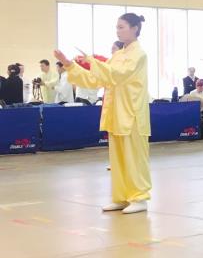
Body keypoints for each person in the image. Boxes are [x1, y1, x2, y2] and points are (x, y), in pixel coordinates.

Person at [56, 13, 151, 214]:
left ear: (135, 28)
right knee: (117, 159)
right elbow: (96, 80)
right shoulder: (117, 56)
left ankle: (139, 197)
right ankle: (121, 197)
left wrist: (93, 61)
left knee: (134, 158)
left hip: (132, 113)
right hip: (115, 113)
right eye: (117, 27)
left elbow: (118, 75)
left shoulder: (139, 55)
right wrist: (70, 65)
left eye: (122, 27)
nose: (118, 31)